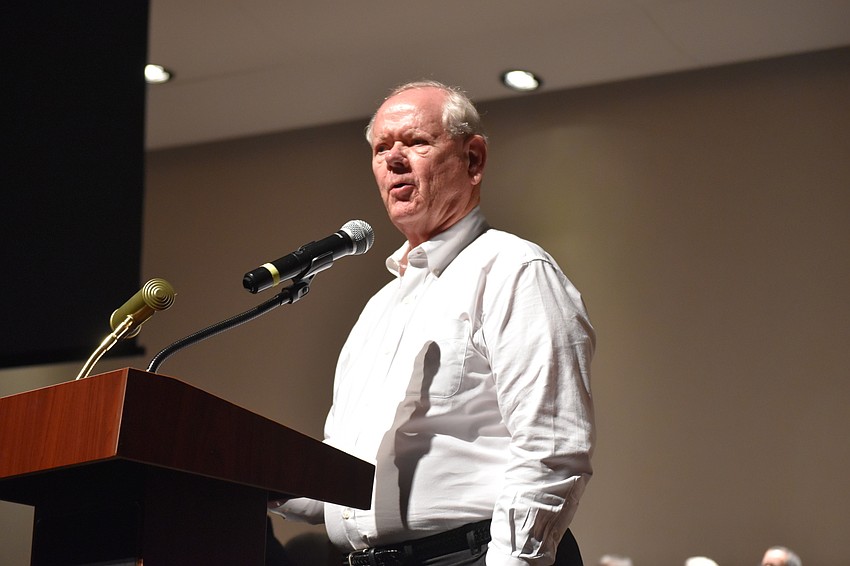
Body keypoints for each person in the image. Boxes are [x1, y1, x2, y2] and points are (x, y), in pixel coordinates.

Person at [270, 80, 595, 566]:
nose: (394, 160)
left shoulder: (512, 270)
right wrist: (241, 474)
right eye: (381, 149)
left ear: (474, 159)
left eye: (416, 142)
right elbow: (338, 480)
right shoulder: (379, 309)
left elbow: (551, 448)